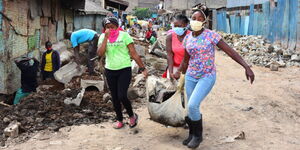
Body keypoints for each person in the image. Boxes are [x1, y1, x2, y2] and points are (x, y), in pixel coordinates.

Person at [174, 4, 255, 149]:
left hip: (207, 76)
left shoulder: (211, 35)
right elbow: (186, 60)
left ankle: (198, 136)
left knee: (193, 105)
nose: (196, 21)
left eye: (199, 19)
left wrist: (246, 66)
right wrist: (179, 72)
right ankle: (192, 133)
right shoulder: (188, 38)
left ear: (204, 22)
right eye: (193, 18)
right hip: (191, 76)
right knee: (191, 107)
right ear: (190, 20)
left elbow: (230, 52)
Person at [97, 17, 148, 129]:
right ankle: (119, 119)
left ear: (117, 26)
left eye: (112, 27)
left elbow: (133, 53)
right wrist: (106, 38)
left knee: (122, 95)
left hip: (124, 69)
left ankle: (132, 115)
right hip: (110, 70)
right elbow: (100, 53)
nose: (110, 29)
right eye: (107, 27)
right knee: (114, 97)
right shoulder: (102, 37)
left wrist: (142, 68)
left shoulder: (125, 35)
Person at [164, 14, 190, 79]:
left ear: (186, 25)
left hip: (190, 68)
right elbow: (169, 55)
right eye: (175, 26)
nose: (177, 28)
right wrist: (170, 72)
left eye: (179, 26)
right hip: (175, 66)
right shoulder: (170, 37)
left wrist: (179, 71)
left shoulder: (191, 36)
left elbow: (187, 56)